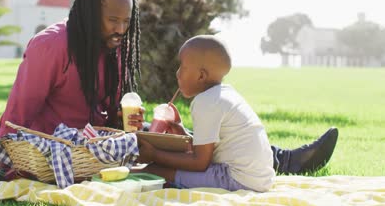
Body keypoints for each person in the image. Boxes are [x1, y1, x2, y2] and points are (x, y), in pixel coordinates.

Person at [0, 0, 338, 174]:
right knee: (177, 151)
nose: (120, 30)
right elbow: (17, 114)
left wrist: (131, 119)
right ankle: (280, 160)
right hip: (56, 148)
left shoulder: (115, 47)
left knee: (184, 137)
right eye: (112, 20)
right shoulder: (51, 47)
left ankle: (282, 158)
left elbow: (108, 113)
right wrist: (6, 165)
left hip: (102, 140)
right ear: (87, 15)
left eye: (126, 22)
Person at [136, 35, 334, 191]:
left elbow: (199, 162)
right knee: (161, 168)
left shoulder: (205, 102)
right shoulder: (224, 94)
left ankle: (174, 187)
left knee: (152, 170)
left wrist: (154, 154)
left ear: (201, 75)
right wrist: (180, 130)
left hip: (238, 179)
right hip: (258, 177)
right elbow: (206, 151)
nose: (177, 73)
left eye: (183, 67)